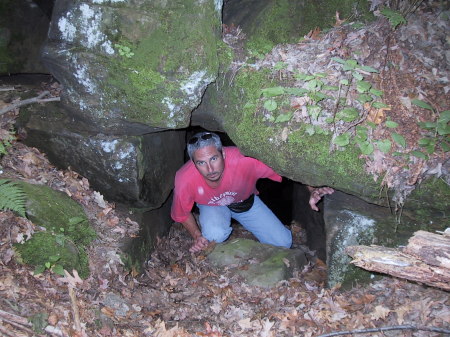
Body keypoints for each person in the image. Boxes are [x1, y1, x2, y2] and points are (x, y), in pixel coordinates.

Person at [171, 131, 334, 253]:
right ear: (193, 162)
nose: (210, 169)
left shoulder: (245, 160)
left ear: (224, 154)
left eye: (214, 159)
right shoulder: (184, 178)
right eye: (201, 162)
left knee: (282, 242)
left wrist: (312, 189)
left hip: (244, 202)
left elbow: (288, 168)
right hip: (211, 205)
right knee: (215, 235)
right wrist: (197, 236)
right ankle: (215, 227)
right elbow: (182, 213)